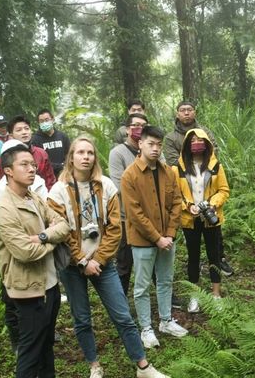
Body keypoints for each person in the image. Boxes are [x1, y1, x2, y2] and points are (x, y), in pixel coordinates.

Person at [48, 137, 169, 378]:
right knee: (82, 318)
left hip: (103, 263)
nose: (86, 157)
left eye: (90, 153)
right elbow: (60, 230)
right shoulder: (58, 191)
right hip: (72, 266)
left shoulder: (106, 186)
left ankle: (143, 366)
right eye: (80, 152)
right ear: (71, 157)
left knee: (123, 315)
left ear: (95, 157)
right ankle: (94, 365)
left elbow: (115, 229)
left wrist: (98, 260)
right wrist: (83, 260)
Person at [0, 144, 71, 378]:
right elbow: (24, 252)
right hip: (28, 291)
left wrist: (44, 236)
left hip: (49, 285)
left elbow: (63, 224)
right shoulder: (4, 208)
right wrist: (54, 239)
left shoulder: (33, 196)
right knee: (30, 350)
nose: (31, 169)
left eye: (33, 165)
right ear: (8, 171)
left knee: (46, 345)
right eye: (24, 165)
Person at [120, 126, 188, 348]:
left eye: (159, 144)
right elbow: (134, 213)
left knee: (166, 280)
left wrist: (169, 234)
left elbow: (177, 202)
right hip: (143, 242)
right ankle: (146, 328)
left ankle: (166, 321)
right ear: (140, 143)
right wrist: (157, 238)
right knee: (141, 287)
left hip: (167, 239)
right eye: (151, 143)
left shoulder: (168, 171)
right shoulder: (130, 175)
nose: (156, 148)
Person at [163, 100, 234, 277]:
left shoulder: (205, 131)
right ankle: (195, 279)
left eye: (190, 110)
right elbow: (172, 159)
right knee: (192, 250)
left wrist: (204, 160)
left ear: (194, 112)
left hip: (207, 182)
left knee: (214, 240)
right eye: (183, 110)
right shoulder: (171, 137)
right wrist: (186, 161)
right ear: (177, 113)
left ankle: (219, 265)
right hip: (186, 187)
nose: (186, 113)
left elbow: (214, 150)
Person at [173, 129, 230, 313]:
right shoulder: (178, 168)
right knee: (193, 257)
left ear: (206, 143)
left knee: (214, 255)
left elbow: (224, 190)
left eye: (200, 140)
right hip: (190, 219)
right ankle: (194, 295)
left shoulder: (215, 166)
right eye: (193, 140)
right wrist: (187, 206)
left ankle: (216, 294)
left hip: (211, 218)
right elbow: (174, 194)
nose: (196, 143)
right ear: (187, 145)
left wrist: (212, 204)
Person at [108, 112, 149, 294]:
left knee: (155, 260)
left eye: (143, 126)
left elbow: (163, 181)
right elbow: (120, 186)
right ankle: (121, 302)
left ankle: (168, 300)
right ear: (127, 130)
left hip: (152, 217)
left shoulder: (152, 150)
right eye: (136, 125)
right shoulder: (117, 153)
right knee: (124, 263)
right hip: (126, 218)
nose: (139, 129)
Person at [0, 115, 57, 190]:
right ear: (11, 135)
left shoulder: (41, 154)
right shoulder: (3, 160)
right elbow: (1, 187)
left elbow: (50, 181)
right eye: (19, 130)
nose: (24, 132)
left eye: (26, 129)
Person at [31, 109, 71, 177]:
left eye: (47, 120)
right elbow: (38, 161)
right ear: (38, 123)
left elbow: (69, 154)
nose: (44, 123)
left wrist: (66, 166)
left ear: (52, 119)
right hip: (46, 177)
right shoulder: (35, 140)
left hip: (63, 175)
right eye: (41, 121)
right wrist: (59, 166)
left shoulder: (62, 136)